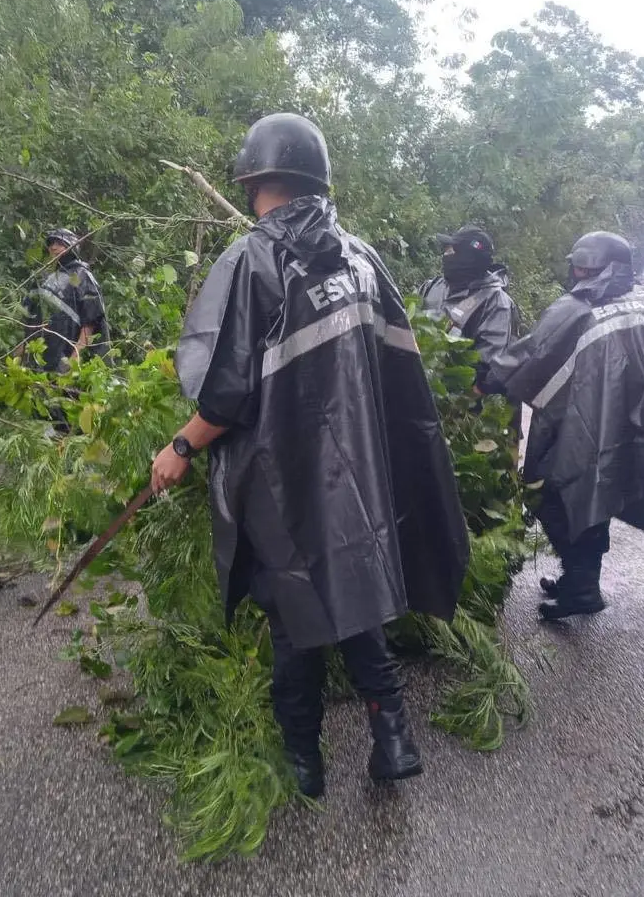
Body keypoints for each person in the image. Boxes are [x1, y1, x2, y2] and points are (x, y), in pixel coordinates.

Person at [149, 113, 469, 797]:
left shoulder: (251, 259)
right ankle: (393, 738)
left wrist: (180, 446)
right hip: (358, 475)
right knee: (352, 595)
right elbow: (398, 374)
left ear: (257, 180)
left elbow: (226, 387)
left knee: (295, 615)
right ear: (315, 179)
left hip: (281, 480)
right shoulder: (362, 256)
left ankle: (304, 762)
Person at [481, 231, 644, 621]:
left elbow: (529, 357)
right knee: (593, 495)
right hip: (643, 428)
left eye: (581, 266)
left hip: (592, 426)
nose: (577, 272)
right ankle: (580, 579)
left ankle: (583, 585)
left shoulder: (573, 309)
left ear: (591, 268)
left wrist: (478, 386)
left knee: (556, 492)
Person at [22, 228, 109, 433]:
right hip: (45, 356)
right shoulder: (47, 279)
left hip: (69, 354)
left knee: (69, 406)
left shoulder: (80, 275)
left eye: (60, 242)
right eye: (51, 243)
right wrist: (22, 351)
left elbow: (92, 320)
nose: (53, 247)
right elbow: (32, 319)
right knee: (44, 407)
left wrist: (76, 354)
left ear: (72, 246)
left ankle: (69, 453)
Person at [419, 225, 521, 395]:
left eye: (451, 251)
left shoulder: (496, 303)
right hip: (419, 391)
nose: (445, 255)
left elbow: (490, 367)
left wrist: (460, 401)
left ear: (468, 257)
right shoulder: (431, 287)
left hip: (459, 405)